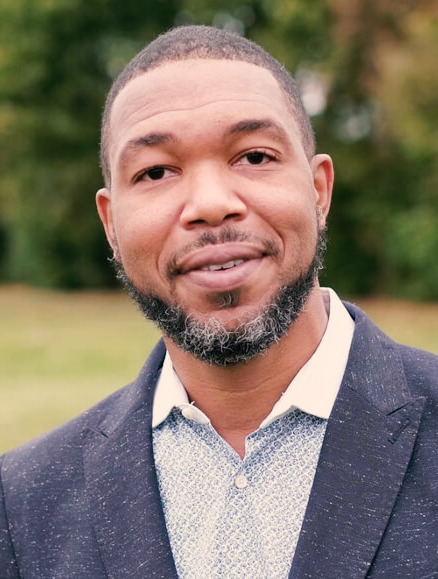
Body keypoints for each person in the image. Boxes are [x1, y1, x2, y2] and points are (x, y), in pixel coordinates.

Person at [1, 25, 437, 579]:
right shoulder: (21, 506)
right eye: (155, 171)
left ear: (319, 190)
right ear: (111, 224)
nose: (210, 204)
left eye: (253, 156)